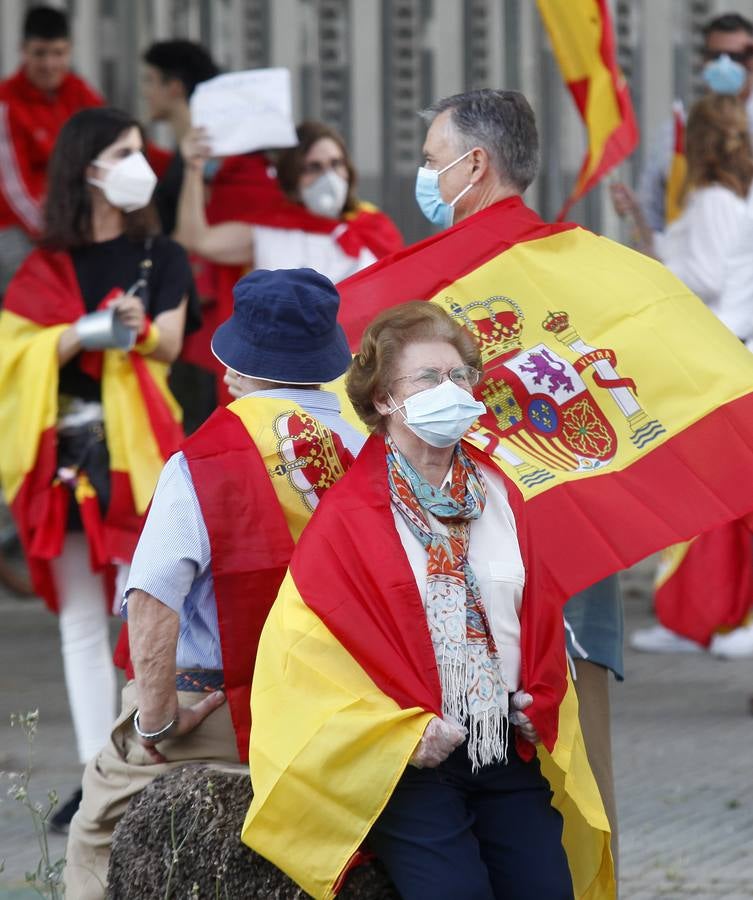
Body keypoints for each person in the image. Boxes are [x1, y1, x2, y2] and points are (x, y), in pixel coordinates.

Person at [242, 301, 611, 899]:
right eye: (429, 379)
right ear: (385, 399)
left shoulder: (500, 493)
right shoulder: (348, 519)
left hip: (505, 747)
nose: (453, 390)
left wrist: (539, 695)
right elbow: (303, 658)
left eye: (460, 376)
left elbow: (537, 617)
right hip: (416, 766)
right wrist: (400, 735)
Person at [63, 267, 364, 900]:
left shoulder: (204, 458)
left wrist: (155, 721)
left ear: (242, 358)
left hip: (225, 710)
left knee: (97, 825)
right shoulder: (370, 444)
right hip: (347, 707)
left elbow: (152, 603)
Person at [0, 106, 191, 833]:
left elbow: (171, 344)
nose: (142, 162)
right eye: (125, 150)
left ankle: (140, 759)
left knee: (141, 605)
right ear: (89, 169)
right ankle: (92, 773)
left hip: (138, 457)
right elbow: (13, 355)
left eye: (142, 148)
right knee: (82, 618)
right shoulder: (45, 265)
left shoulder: (162, 255)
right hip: (65, 461)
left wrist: (134, 335)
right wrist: (83, 332)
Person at [613, 92, 753, 658]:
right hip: (721, 356)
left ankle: (713, 613)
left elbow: (703, 277)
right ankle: (700, 612)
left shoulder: (715, 198)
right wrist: (646, 225)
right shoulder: (724, 197)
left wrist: (645, 262)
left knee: (719, 505)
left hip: (719, 359)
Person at [0, 5, 103, 294]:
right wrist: (60, 232)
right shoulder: (6, 102)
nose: (49, 64)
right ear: (23, 50)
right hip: (16, 228)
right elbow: (14, 191)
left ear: (69, 51)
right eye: (40, 53)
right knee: (35, 293)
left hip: (72, 223)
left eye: (58, 53)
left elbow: (115, 143)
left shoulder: (79, 92)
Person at [639, 12, 753, 233]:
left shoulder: (717, 202)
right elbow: (652, 204)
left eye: (737, 56)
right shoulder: (676, 130)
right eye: (715, 55)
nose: (725, 63)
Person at [141, 39, 220, 235]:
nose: (145, 93)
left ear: (175, 87)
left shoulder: (209, 154)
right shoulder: (186, 152)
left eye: (151, 80)